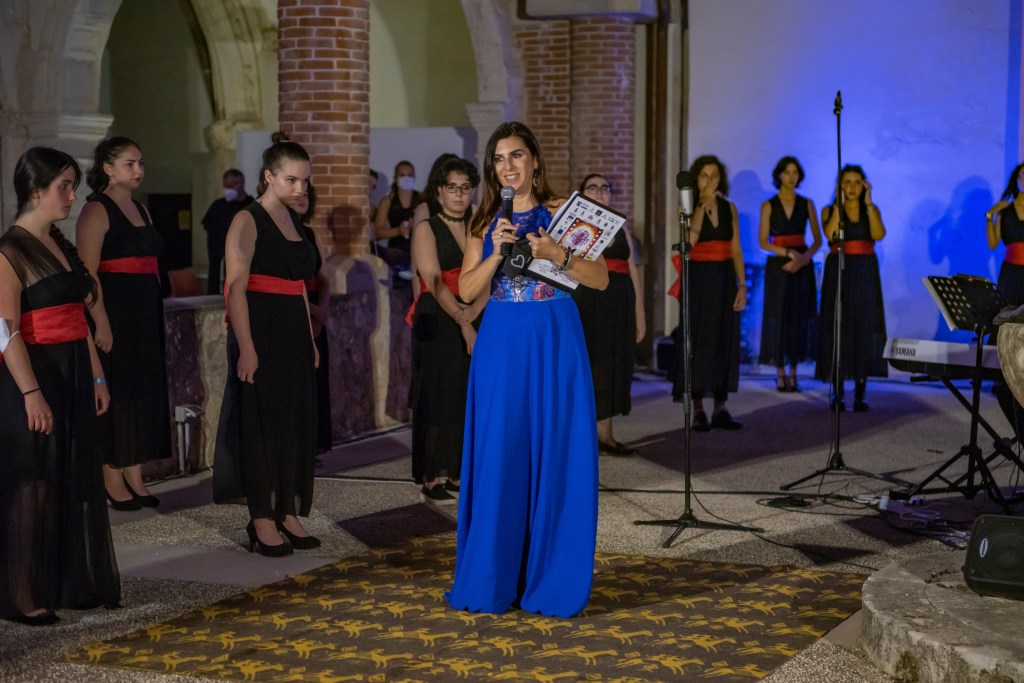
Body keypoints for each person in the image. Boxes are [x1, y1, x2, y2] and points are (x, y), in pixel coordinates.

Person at [446, 121, 608, 618]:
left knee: (556, 451)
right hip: (502, 340)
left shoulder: (563, 211)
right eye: (499, 158)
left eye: (516, 155)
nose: (508, 166)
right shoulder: (483, 221)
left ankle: (551, 578)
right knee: (502, 451)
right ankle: (495, 578)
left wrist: (559, 254)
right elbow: (466, 291)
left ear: (534, 160)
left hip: (555, 334)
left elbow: (600, 279)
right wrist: (495, 252)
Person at [0, 147, 120, 625]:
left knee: (65, 479)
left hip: (72, 371)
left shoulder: (55, 241)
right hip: (32, 376)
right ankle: (20, 594)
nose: (73, 195)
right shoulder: (9, 250)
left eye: (73, 185)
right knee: (33, 483)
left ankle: (60, 583)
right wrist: (31, 394)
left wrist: (96, 374)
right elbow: (4, 331)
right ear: (35, 191)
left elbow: (76, 320)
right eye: (64, 187)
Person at [213, 132, 320, 556]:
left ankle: (287, 510)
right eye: (291, 180)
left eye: (305, 181)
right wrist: (247, 347)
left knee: (293, 424)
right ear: (269, 176)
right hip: (259, 330)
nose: (300, 188)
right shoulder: (246, 219)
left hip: (293, 331)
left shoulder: (293, 220)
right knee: (260, 426)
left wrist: (309, 337)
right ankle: (261, 517)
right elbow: (235, 288)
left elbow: (299, 285)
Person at [76, 137, 170, 510]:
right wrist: (101, 323)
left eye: (140, 162)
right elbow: (87, 274)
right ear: (108, 168)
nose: (138, 170)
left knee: (142, 391)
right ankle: (110, 474)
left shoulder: (141, 209)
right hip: (115, 311)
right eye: (129, 163)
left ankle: (134, 470)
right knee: (117, 391)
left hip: (144, 312)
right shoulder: (96, 210)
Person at [410, 157, 485, 505]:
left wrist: (476, 311)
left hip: (475, 310)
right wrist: (464, 323)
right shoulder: (427, 227)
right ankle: (432, 476)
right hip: (439, 316)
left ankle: (458, 471)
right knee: (439, 393)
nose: (459, 194)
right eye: (452, 187)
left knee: (467, 394)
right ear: (439, 191)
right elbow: (434, 280)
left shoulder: (478, 227)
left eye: (465, 187)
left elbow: (493, 274)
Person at [671, 155, 746, 431]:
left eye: (715, 175)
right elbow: (690, 241)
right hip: (699, 278)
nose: (710, 180)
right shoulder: (687, 207)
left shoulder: (730, 208)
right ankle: (699, 409)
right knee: (698, 340)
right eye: (705, 175)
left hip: (724, 278)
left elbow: (736, 248)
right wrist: (701, 205)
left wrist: (742, 285)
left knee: (723, 338)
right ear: (696, 178)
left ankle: (721, 407)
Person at [573, 173, 645, 456]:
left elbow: (632, 268)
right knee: (593, 363)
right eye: (592, 188)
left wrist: (639, 311)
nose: (600, 192)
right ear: (582, 193)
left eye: (605, 188)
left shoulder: (620, 225)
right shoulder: (576, 224)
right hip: (589, 299)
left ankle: (606, 435)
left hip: (621, 299)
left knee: (616, 363)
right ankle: (587, 435)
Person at [815, 164, 888, 412]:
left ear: (864, 185)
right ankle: (838, 391)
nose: (852, 187)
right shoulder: (830, 210)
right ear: (840, 186)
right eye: (847, 182)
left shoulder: (871, 209)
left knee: (863, 327)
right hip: (839, 271)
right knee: (838, 327)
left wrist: (869, 203)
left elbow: (878, 234)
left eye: (857, 182)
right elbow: (831, 234)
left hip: (865, 272)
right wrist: (839, 203)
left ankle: (860, 390)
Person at [757, 156, 822, 392]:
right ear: (779, 175)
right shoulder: (768, 205)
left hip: (802, 264)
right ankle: (780, 372)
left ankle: (794, 372)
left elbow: (818, 240)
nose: (791, 177)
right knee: (778, 316)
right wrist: (787, 253)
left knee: (799, 317)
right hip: (779, 265)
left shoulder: (807, 203)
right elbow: (763, 241)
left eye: (795, 172)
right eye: (787, 172)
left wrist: (803, 259)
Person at [294, 185, 332, 454]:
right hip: (295, 313)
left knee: (317, 383)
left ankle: (314, 446)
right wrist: (313, 312)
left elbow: (324, 278)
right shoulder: (277, 233)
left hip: (316, 313)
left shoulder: (310, 233)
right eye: (298, 194)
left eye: (307, 194)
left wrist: (322, 312)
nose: (302, 198)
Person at [202, 169, 251, 295]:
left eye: (229, 186)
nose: (226, 190)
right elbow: (210, 230)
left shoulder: (251, 206)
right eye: (225, 186)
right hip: (219, 261)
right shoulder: (218, 206)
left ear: (240, 184)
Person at [986, 162, 1024, 305]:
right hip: (1011, 273)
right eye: (1022, 175)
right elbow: (992, 244)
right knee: (1008, 313)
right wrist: (989, 215)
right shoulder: (1005, 210)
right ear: (1017, 178)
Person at [374, 161, 418, 281]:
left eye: (409, 175)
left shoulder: (422, 199)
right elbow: (377, 233)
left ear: (414, 177)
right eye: (402, 175)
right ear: (395, 178)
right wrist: (399, 231)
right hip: (395, 252)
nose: (406, 178)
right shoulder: (387, 201)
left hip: (418, 250)